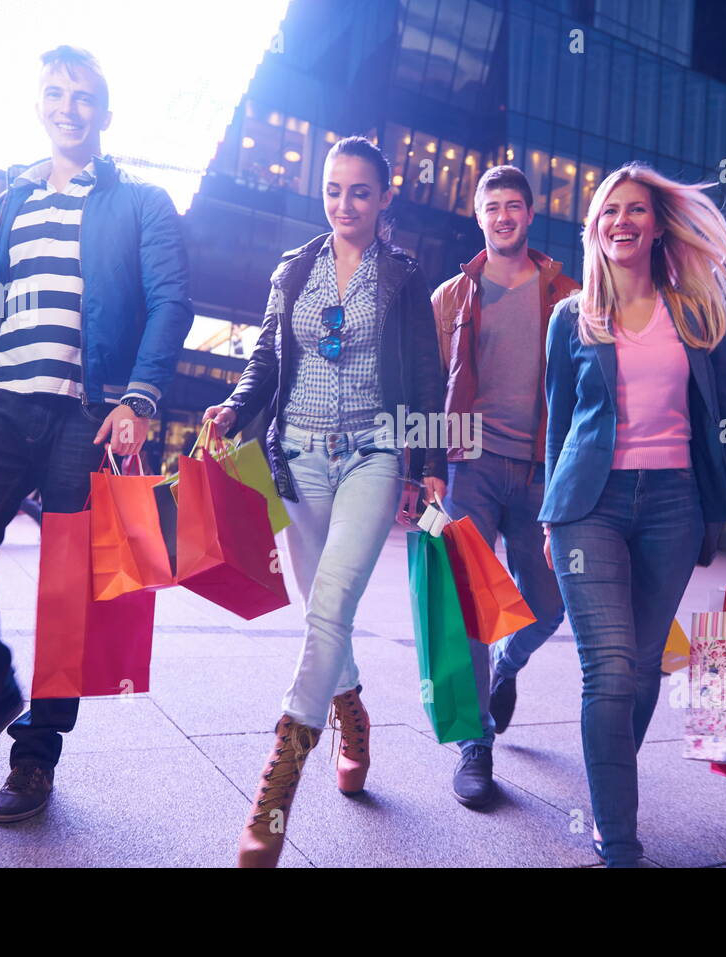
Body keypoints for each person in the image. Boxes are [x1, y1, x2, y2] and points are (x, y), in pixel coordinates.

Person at [0, 45, 192, 823]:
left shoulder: (141, 202)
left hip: (86, 418)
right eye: (56, 94)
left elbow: (170, 303)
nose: (69, 107)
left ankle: (34, 759)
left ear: (104, 111)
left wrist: (139, 396)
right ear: (39, 104)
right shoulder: (10, 200)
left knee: (70, 596)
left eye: (84, 96)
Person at [541, 161, 726, 867]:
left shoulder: (695, 312)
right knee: (612, 667)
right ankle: (618, 838)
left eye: (635, 210)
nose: (620, 221)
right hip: (587, 507)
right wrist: (548, 515)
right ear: (593, 227)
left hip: (673, 505)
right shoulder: (572, 315)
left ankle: (606, 782)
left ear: (657, 225)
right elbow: (558, 423)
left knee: (649, 666)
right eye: (608, 211)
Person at [203, 135, 446, 868]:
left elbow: (426, 379)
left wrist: (426, 463)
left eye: (361, 192)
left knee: (332, 604)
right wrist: (234, 410)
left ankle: (276, 789)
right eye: (335, 190)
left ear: (385, 199)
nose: (346, 204)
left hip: (372, 454)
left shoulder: (403, 278)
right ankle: (352, 711)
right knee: (319, 613)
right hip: (296, 459)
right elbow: (267, 360)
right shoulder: (295, 268)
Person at [430, 165, 578, 808]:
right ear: (478, 214)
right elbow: (429, 389)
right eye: (493, 206)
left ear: (530, 214)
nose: (504, 216)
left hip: (544, 470)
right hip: (472, 464)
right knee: (467, 602)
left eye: (514, 205)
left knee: (550, 603)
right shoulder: (450, 297)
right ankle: (475, 743)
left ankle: (506, 670)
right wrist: (428, 466)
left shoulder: (568, 295)